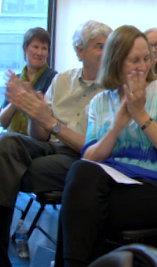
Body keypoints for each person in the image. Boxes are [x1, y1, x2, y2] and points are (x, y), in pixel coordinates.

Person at [56, 25, 157, 267]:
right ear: (116, 63)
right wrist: (116, 126)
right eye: (134, 60)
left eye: (146, 59)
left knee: (78, 211)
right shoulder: (100, 101)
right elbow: (90, 158)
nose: (143, 66)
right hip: (114, 185)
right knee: (80, 178)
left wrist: (140, 115)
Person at [0, 20, 111, 267]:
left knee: (8, 168)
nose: (106, 52)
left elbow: (93, 148)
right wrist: (33, 113)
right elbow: (37, 135)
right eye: (99, 46)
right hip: (47, 146)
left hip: (81, 157)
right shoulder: (62, 80)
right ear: (79, 51)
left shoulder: (112, 89)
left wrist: (50, 123)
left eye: (108, 46)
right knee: (4, 144)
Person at [0, 27, 57, 134]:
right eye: (35, 47)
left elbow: (50, 121)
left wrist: (26, 96)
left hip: (36, 142)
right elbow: (3, 122)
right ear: (24, 49)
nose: (39, 53)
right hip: (9, 138)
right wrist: (15, 101)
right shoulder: (16, 79)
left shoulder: (54, 79)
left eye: (44, 48)